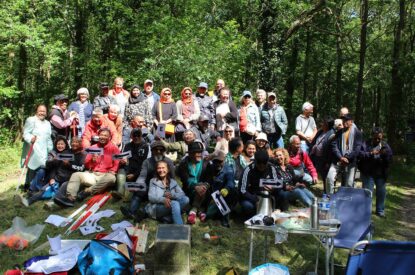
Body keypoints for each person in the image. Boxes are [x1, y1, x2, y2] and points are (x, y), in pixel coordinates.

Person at [54, 128, 120, 207]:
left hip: (105, 175)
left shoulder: (114, 148)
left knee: (111, 178)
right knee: (76, 175)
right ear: (98, 136)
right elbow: (86, 165)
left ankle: (88, 191)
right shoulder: (92, 147)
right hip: (92, 174)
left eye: (105, 135)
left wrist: (113, 170)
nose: (103, 137)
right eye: (101, 135)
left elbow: (116, 163)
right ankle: (70, 198)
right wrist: (92, 161)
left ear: (109, 137)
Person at [18, 137, 86, 206]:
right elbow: (55, 167)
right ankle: (28, 201)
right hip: (57, 178)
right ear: (70, 143)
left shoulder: (82, 155)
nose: (74, 144)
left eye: (77, 142)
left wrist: (69, 165)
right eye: (73, 142)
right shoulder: (65, 152)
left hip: (69, 180)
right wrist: (52, 177)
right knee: (44, 190)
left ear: (80, 144)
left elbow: (81, 169)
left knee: (61, 190)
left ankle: (51, 203)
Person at [121, 141, 175, 221]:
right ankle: (131, 212)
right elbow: (142, 177)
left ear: (164, 151)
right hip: (149, 187)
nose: (158, 152)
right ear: (152, 151)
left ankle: (146, 212)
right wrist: (138, 185)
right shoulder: (147, 162)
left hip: (163, 189)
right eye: (155, 150)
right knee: (138, 189)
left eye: (161, 150)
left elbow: (172, 179)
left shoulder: (169, 162)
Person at [239, 150, 284, 218]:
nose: (262, 167)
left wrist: (273, 188)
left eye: (264, 164)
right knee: (248, 206)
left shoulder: (271, 168)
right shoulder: (248, 170)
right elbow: (242, 190)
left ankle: (276, 213)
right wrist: (255, 199)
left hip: (268, 196)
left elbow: (279, 183)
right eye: (259, 165)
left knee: (282, 194)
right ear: (255, 162)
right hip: (252, 196)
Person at [358, 127, 392, 217]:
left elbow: (390, 159)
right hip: (368, 173)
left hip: (381, 174)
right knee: (367, 192)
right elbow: (359, 154)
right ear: (372, 136)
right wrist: (371, 153)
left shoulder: (385, 146)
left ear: (382, 136)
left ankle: (380, 210)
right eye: (375, 138)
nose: (377, 140)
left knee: (381, 192)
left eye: (379, 138)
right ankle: (366, 210)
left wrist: (385, 155)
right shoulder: (365, 144)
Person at [326, 114, 363, 194]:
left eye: (346, 120)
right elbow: (334, 145)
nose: (344, 122)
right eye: (343, 120)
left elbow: (357, 148)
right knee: (329, 178)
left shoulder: (358, 133)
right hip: (338, 160)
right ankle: (330, 198)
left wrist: (348, 158)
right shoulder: (339, 132)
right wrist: (341, 157)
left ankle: (347, 202)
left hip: (351, 162)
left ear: (351, 122)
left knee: (349, 184)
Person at [21, 104, 53, 191]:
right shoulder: (31, 120)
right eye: (40, 111)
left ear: (46, 113)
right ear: (36, 111)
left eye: (44, 111)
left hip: (44, 149)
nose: (42, 113)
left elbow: (48, 137)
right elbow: (26, 133)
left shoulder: (47, 123)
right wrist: (30, 138)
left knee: (41, 167)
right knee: (33, 166)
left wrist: (51, 149)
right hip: (34, 147)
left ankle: (32, 185)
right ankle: (29, 185)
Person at [177, 141, 209, 224]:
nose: (199, 154)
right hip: (189, 191)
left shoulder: (205, 163)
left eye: (200, 152)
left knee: (203, 187)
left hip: (204, 191)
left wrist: (205, 186)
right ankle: (200, 211)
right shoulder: (183, 164)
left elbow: (209, 179)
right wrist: (195, 186)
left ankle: (193, 211)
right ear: (190, 154)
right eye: (197, 152)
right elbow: (186, 180)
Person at [201, 151, 235, 227]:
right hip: (211, 196)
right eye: (215, 161)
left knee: (226, 196)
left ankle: (225, 221)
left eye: (220, 161)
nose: (218, 163)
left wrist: (226, 189)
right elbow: (206, 180)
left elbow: (231, 182)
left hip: (223, 196)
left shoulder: (228, 170)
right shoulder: (210, 168)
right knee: (209, 215)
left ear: (224, 160)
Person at [116, 128, 149, 200]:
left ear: (141, 136)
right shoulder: (127, 145)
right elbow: (124, 158)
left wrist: (134, 175)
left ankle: (129, 193)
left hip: (139, 171)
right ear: (131, 136)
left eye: (138, 135)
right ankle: (120, 193)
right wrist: (122, 161)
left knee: (141, 185)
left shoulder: (145, 146)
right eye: (134, 135)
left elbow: (144, 164)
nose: (136, 137)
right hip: (128, 169)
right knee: (121, 173)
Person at [309, 117, 335, 186]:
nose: (322, 124)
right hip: (316, 157)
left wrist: (328, 162)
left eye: (324, 123)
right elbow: (314, 141)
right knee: (313, 172)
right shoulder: (320, 131)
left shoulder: (332, 134)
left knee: (325, 176)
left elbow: (331, 150)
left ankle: (326, 192)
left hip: (324, 159)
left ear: (327, 125)